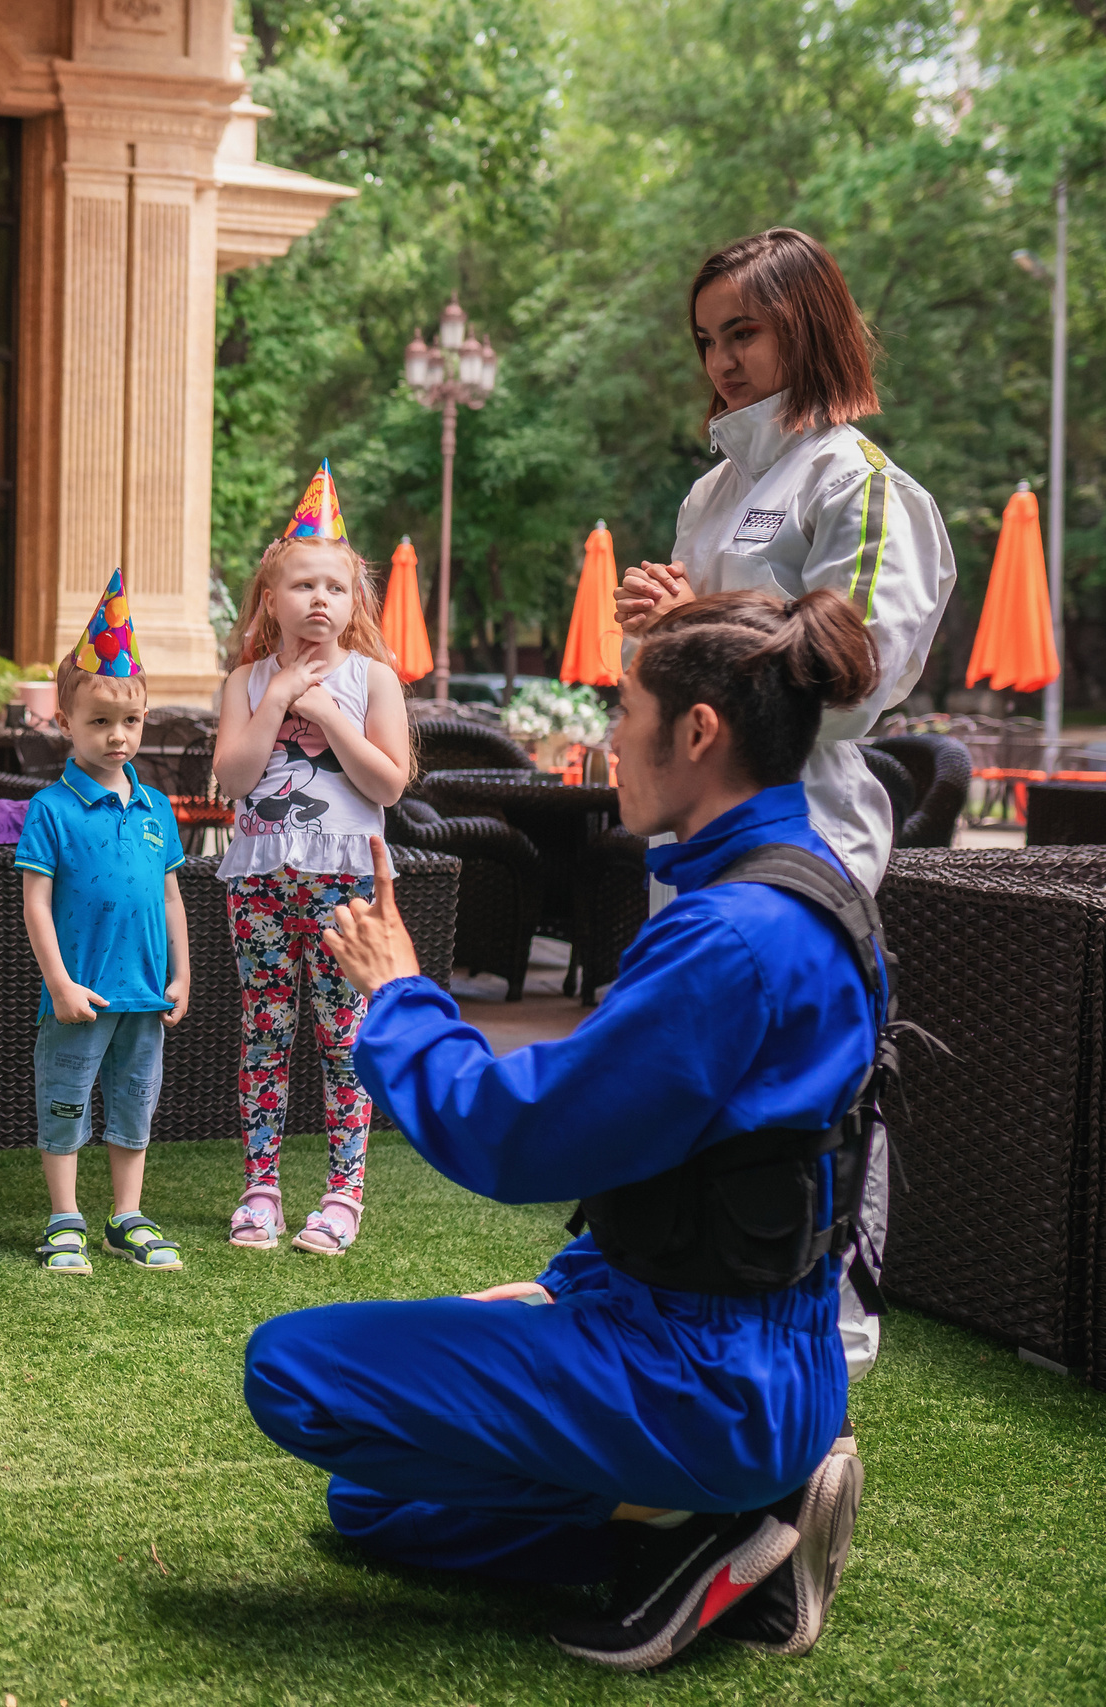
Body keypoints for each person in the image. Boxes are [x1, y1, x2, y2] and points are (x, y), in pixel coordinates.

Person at [244, 589, 888, 1671]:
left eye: (623, 710)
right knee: (371, 1507)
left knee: (291, 1372)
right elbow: (723, 1159)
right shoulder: (816, 891)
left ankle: (723, 1514)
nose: (607, 740)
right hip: (753, 1348)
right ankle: (690, 1519)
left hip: (704, 1380)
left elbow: (516, 1134)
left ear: (696, 732)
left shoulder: (730, 938)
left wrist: (398, 996)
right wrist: (569, 1285)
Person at [615, 227, 954, 1394]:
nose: (721, 359)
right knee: (697, 1089)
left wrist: (700, 609)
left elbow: (853, 682)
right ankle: (694, 1314)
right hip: (695, 847)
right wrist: (665, 626)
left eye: (744, 331)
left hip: (807, 853)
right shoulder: (712, 488)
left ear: (806, 324)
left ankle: (832, 1365)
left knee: (812, 1106)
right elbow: (702, 673)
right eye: (708, 338)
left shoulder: (857, 482)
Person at [208, 464, 411, 1256]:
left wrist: (325, 709)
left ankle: (342, 1191)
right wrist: (279, 695)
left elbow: (388, 782)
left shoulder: (373, 679)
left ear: (355, 600)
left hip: (345, 884)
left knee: (343, 1035)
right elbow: (233, 776)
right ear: (271, 599)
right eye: (302, 586)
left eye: (335, 585)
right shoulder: (245, 681)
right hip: (258, 880)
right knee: (266, 1029)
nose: (319, 599)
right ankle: (260, 1186)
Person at [15, 570, 190, 1276]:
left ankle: (126, 1214)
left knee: (133, 1101)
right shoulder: (51, 810)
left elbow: (173, 895)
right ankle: (64, 1217)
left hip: (147, 991)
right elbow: (35, 902)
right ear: (65, 722)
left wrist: (183, 973)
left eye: (131, 721)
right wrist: (58, 981)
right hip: (79, 993)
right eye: (99, 721)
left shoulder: (157, 809)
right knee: (65, 1098)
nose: (118, 736)